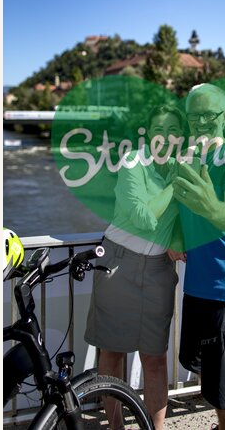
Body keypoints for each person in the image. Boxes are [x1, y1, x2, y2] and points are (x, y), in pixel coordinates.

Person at [84, 104, 186, 430]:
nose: (165, 137)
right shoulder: (133, 161)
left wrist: (178, 236)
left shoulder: (183, 166)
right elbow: (143, 216)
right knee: (112, 355)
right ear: (148, 133)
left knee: (154, 359)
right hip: (118, 267)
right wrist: (175, 183)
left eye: (173, 130)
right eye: (159, 130)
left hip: (158, 272)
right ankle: (116, 428)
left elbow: (191, 215)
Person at [171, 83, 225, 430]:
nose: (200, 122)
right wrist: (176, 235)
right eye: (194, 116)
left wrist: (210, 206)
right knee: (214, 387)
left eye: (208, 115)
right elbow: (177, 211)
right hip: (198, 285)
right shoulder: (189, 158)